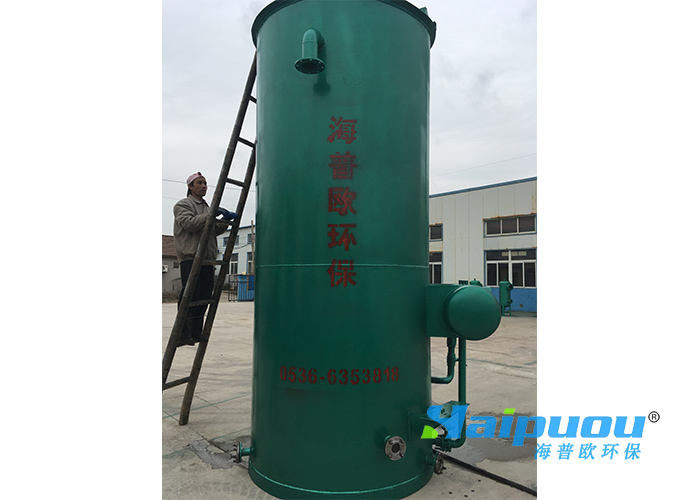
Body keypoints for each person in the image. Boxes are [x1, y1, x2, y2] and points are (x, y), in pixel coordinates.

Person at [173, 172, 237, 345]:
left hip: (207, 259)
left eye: (205, 183)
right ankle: (182, 333)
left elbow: (214, 230)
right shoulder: (183, 205)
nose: (203, 186)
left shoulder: (208, 208)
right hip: (191, 257)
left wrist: (225, 221)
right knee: (191, 295)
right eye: (199, 183)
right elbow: (189, 224)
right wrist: (211, 215)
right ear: (190, 186)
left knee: (204, 296)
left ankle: (196, 332)